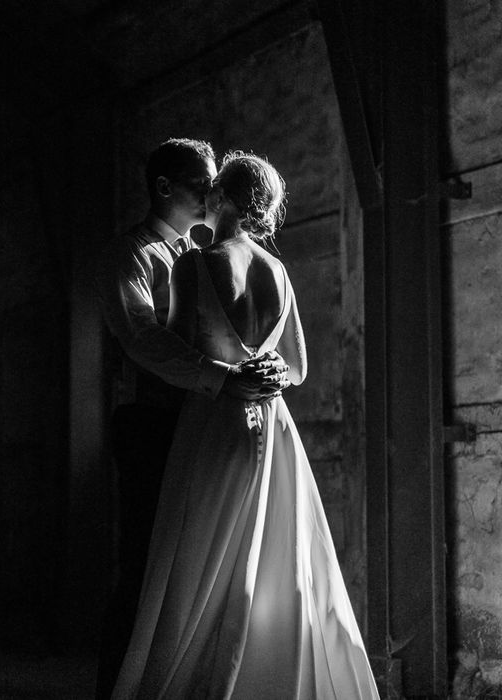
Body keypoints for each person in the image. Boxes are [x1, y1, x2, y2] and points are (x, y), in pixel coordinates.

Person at [110, 151, 379, 699]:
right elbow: (298, 369)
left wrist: (232, 369)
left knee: (197, 563)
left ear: (220, 198)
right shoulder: (278, 270)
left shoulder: (196, 263)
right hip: (275, 425)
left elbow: (184, 351)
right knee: (272, 558)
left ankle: (195, 676)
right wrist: (268, 366)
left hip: (215, 422)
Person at [93, 139, 289, 699]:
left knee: (194, 570)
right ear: (164, 188)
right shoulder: (131, 256)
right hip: (150, 422)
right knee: (143, 569)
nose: (211, 192)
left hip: (201, 427)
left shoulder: (201, 258)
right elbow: (142, 339)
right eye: (200, 183)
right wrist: (224, 379)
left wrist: (256, 364)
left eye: (215, 184)